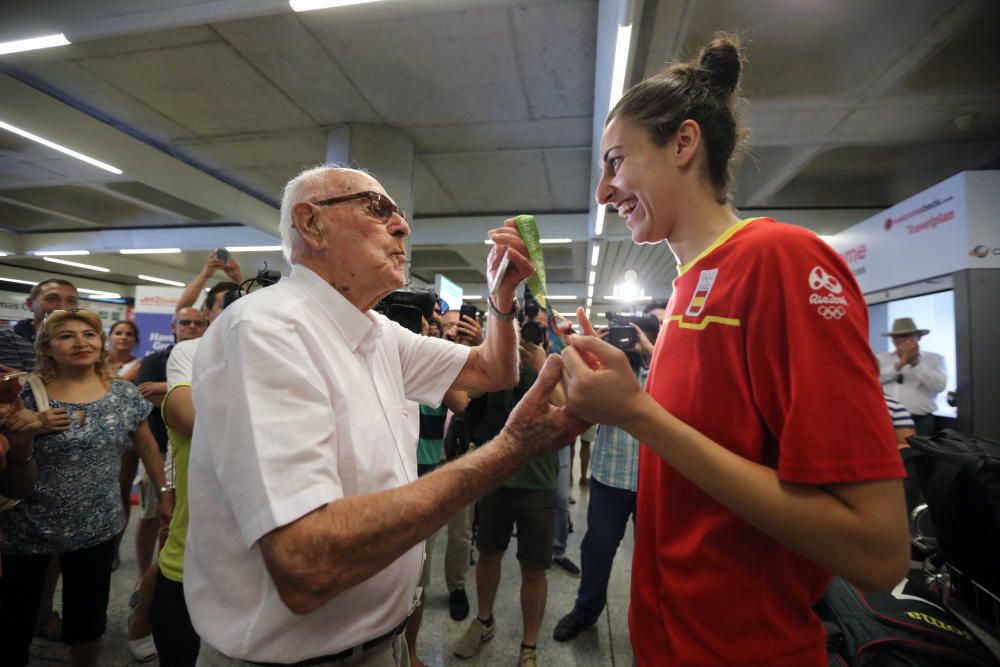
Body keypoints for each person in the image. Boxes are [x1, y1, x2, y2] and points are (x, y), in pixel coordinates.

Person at [557, 36, 909, 666]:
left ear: (684, 144)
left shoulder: (782, 260)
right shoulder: (687, 288)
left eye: (616, 162)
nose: (605, 192)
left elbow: (877, 550)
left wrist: (637, 414)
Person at [185, 165, 587, 666]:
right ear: (311, 225)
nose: (402, 225)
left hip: (382, 645)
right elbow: (306, 563)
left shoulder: (375, 330)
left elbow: (491, 370)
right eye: (377, 209)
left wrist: (501, 303)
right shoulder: (268, 330)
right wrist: (509, 451)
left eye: (398, 213)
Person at [0, 308, 170, 667]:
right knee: (15, 618)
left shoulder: (123, 394)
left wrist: (165, 492)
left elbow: (148, 447)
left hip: (97, 526)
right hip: (26, 525)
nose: (81, 342)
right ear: (46, 347)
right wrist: (25, 435)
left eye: (89, 334)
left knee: (88, 617)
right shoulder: (25, 395)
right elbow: (13, 475)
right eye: (66, 336)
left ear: (100, 342)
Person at [453, 336, 562, 667]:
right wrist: (483, 354)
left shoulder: (554, 363)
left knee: (534, 568)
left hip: (539, 484)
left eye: (533, 328)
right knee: (488, 555)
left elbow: (567, 406)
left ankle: (528, 645)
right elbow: (467, 397)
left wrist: (541, 365)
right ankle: (484, 621)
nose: (526, 337)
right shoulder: (499, 362)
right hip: (496, 478)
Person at [554, 323, 654, 643]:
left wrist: (649, 351)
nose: (627, 341)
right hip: (609, 477)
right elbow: (578, 407)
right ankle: (585, 612)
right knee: (597, 550)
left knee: (653, 557)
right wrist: (589, 358)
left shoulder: (661, 369)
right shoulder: (608, 370)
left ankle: (653, 619)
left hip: (652, 482)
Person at [877, 318, 947, 436]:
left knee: (917, 454)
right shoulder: (881, 358)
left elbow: (939, 386)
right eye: (897, 336)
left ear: (918, 337)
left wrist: (916, 363)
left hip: (920, 421)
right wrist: (900, 364)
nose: (902, 340)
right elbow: (873, 381)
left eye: (907, 336)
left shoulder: (935, 359)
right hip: (885, 419)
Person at [0, 279, 79, 372]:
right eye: (52, 298)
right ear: (30, 304)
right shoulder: (7, 338)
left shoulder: (84, 340)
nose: (62, 306)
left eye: (71, 300)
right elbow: (16, 384)